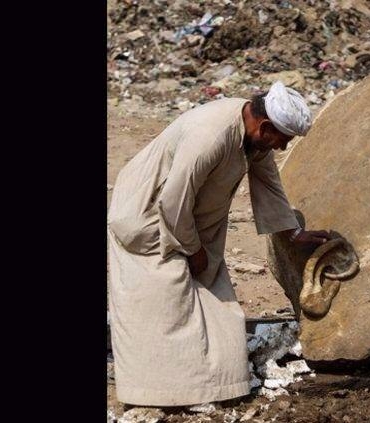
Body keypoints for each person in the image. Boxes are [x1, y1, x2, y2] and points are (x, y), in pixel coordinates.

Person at [107, 81, 330, 407]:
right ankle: (156, 395)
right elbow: (172, 201)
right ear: (266, 127)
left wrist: (292, 233)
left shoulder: (252, 135)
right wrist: (193, 250)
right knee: (165, 311)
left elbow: (268, 182)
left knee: (218, 314)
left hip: (188, 225)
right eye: (283, 140)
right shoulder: (210, 137)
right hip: (149, 218)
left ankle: (211, 387)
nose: (282, 148)